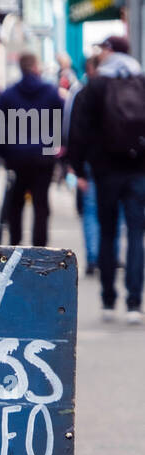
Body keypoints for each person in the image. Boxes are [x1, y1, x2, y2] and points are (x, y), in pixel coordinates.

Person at [69, 35, 145, 323]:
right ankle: (135, 303)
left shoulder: (96, 86)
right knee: (136, 234)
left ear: (110, 52)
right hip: (138, 169)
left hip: (105, 170)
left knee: (108, 232)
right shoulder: (141, 81)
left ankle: (108, 300)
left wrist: (76, 166)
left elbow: (78, 130)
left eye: (102, 50)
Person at [0, 54, 62, 247]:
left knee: (16, 204)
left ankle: (16, 244)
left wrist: (3, 154)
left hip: (17, 158)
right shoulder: (50, 92)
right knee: (41, 204)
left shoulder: (8, 94)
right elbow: (60, 121)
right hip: (43, 157)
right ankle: (39, 247)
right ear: (35, 67)